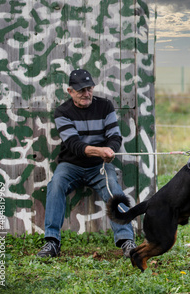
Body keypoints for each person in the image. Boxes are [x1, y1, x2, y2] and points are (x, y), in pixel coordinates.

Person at [37, 69, 136, 258]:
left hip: (99, 165)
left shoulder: (105, 106)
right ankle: (52, 242)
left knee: (114, 189)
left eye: (89, 88)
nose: (86, 93)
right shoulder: (62, 112)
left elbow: (114, 136)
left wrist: (110, 150)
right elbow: (74, 145)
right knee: (55, 185)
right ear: (70, 91)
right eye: (81, 90)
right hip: (71, 165)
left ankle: (127, 242)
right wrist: (100, 150)